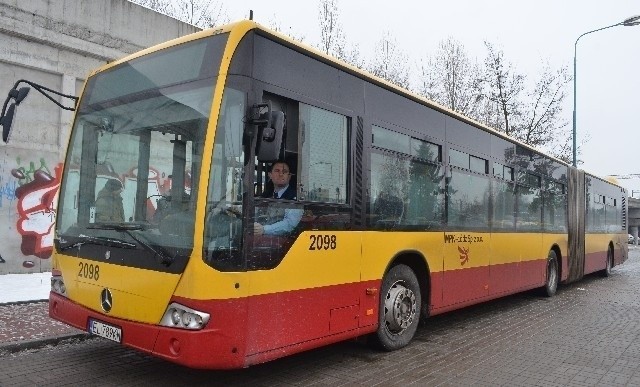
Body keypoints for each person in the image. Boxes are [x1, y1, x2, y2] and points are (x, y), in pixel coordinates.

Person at [253, 161, 302, 235]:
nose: (281, 174)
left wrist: (264, 229)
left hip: (285, 242)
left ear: (289, 176)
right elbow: (256, 211)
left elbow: (290, 224)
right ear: (270, 175)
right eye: (277, 171)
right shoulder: (266, 195)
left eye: (284, 172)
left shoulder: (295, 197)